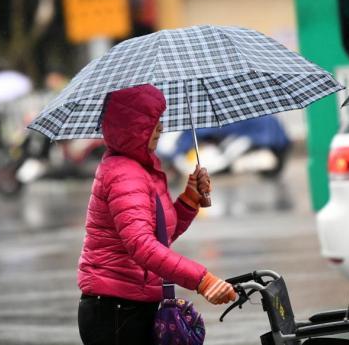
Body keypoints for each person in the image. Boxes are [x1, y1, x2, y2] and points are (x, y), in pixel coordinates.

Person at [77, 84, 237, 345]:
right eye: (151, 121)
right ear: (130, 127)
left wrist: (189, 199)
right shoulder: (123, 174)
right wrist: (202, 280)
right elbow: (142, 245)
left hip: (136, 304)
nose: (160, 127)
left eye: (159, 119)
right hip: (116, 310)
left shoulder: (145, 168)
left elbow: (161, 235)